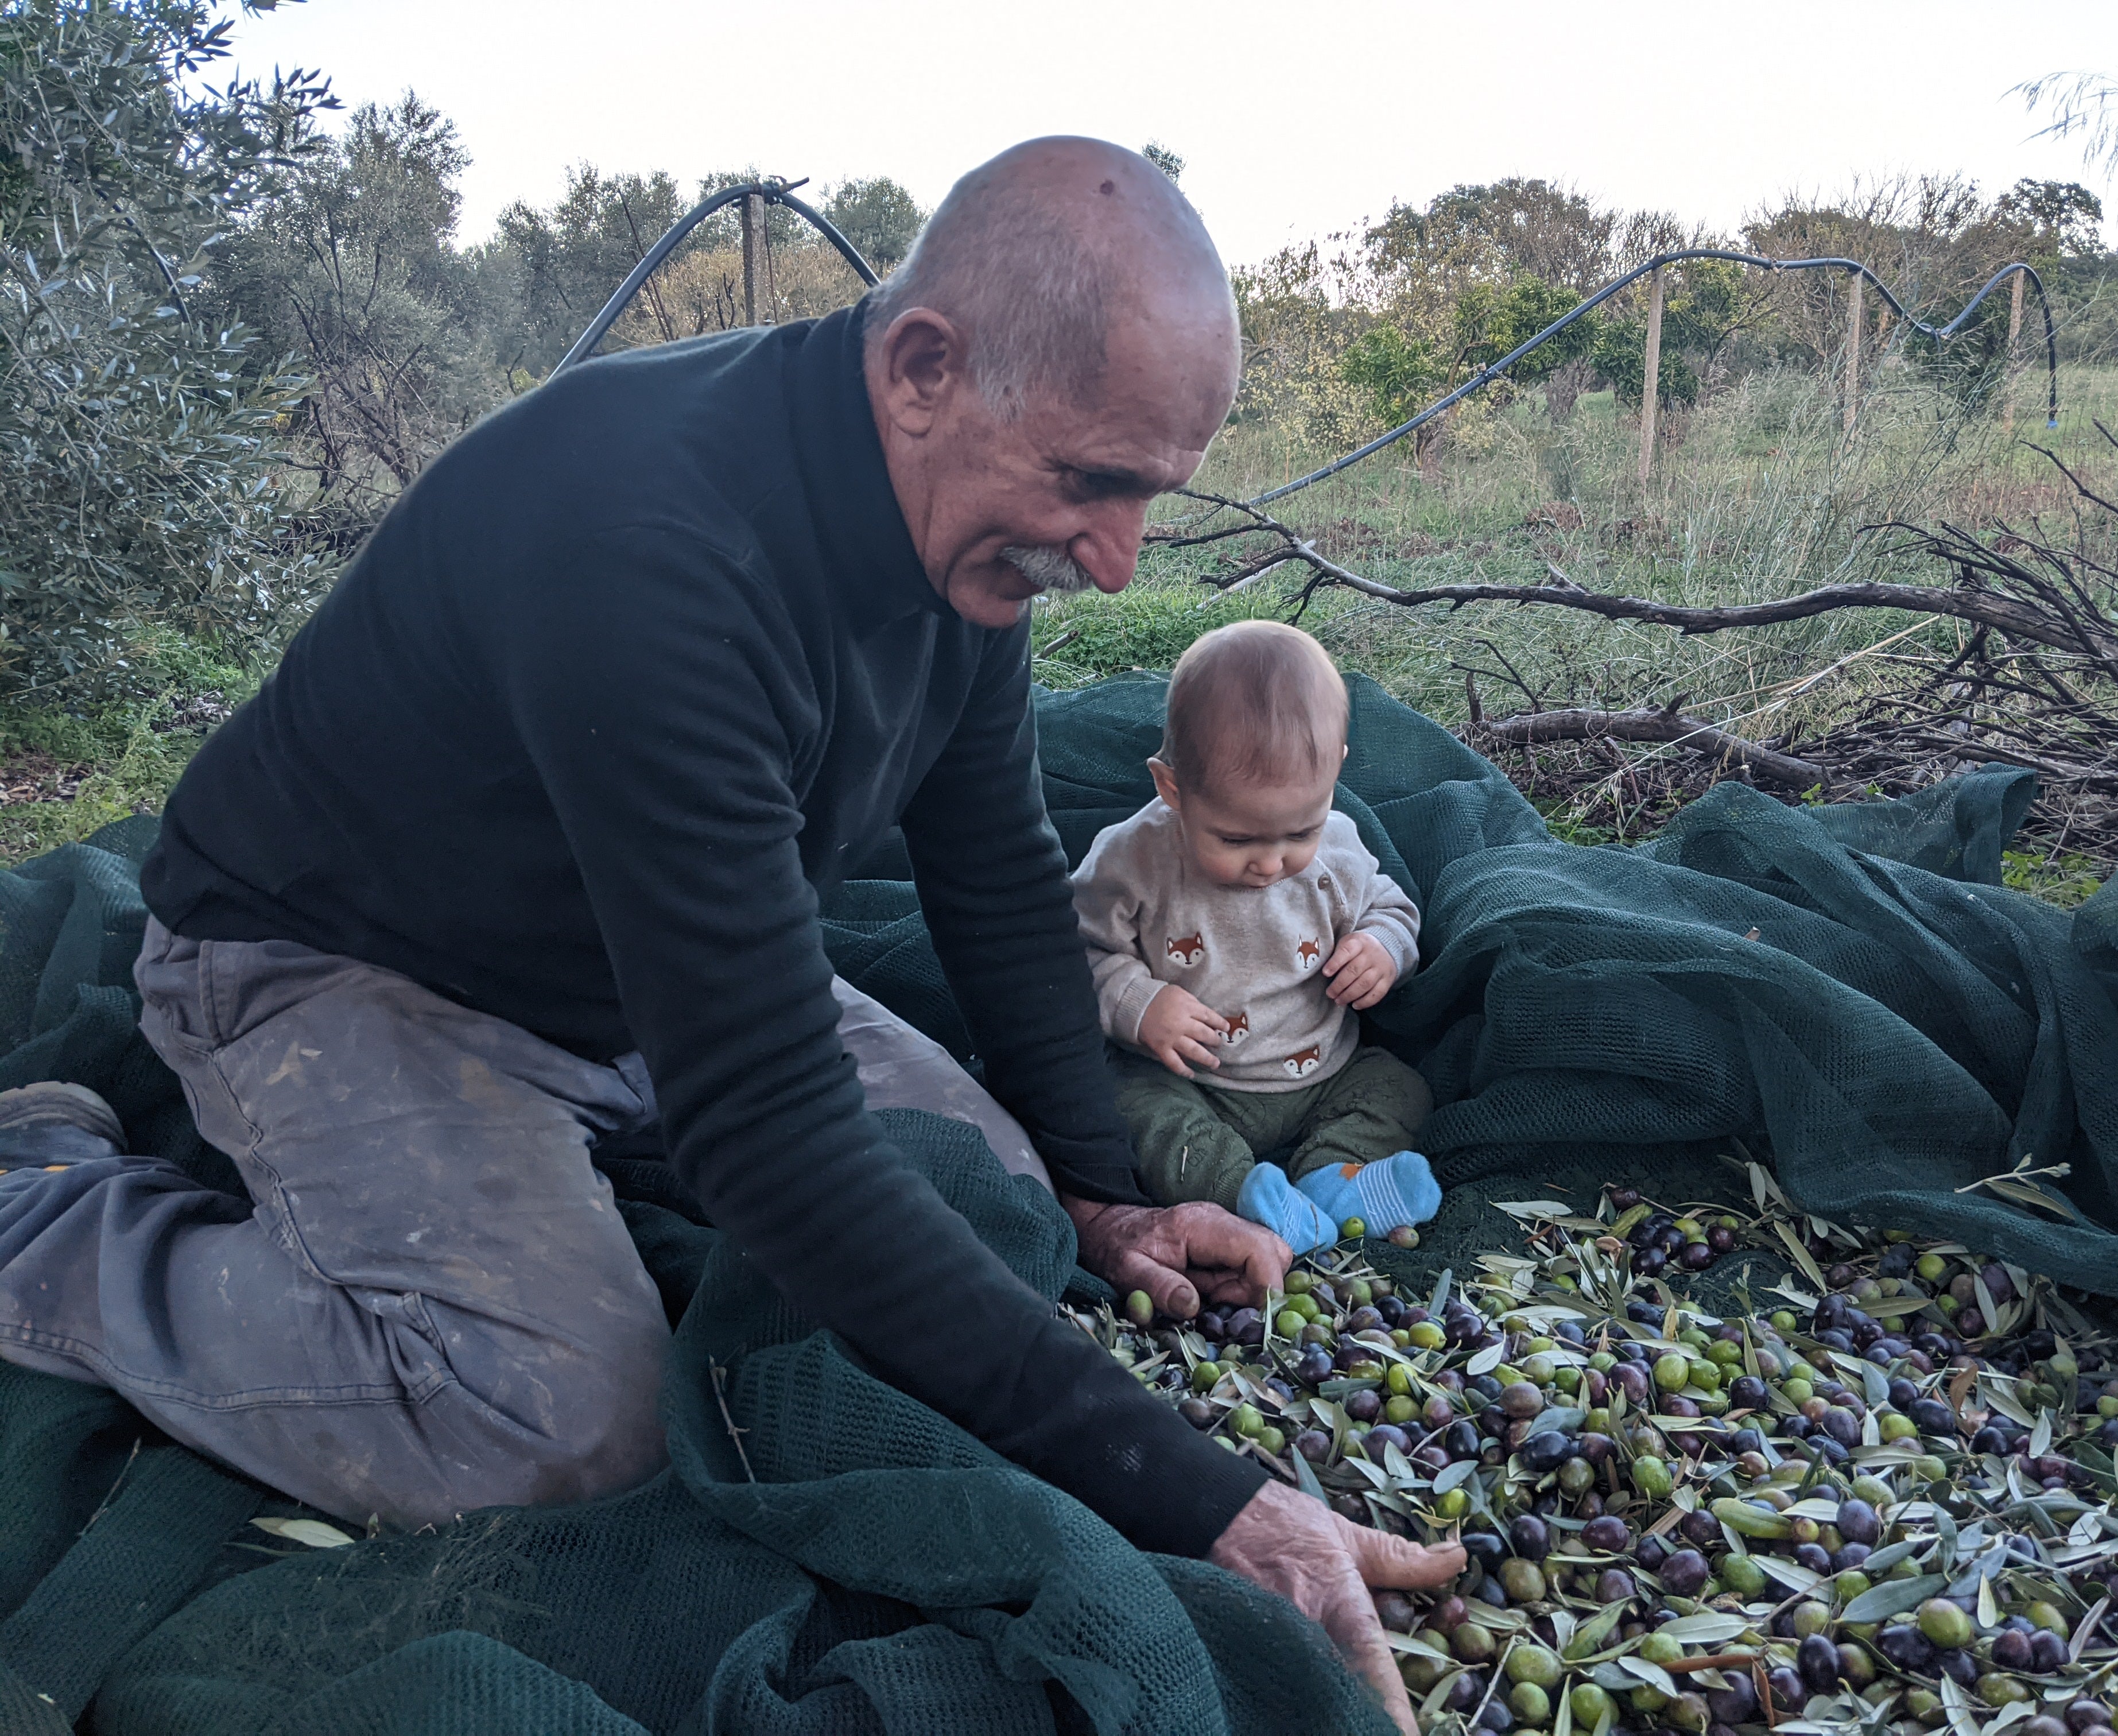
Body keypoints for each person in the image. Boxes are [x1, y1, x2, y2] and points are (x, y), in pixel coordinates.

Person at [0, 137, 1457, 1729]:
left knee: (989, 1204)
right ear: (922, 367)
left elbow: (989, 862)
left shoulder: (962, 548)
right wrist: (1207, 1501)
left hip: (630, 973)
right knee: (563, 1425)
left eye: (1146, 499)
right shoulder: (654, 555)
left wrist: (1106, 1197)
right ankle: (54, 1207)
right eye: (1092, 483)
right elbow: (770, 1136)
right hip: (342, 964)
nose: (1113, 562)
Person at [1071, 622, 1441, 1251]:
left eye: (1300, 833)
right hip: (1191, 1082)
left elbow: (1394, 908)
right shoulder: (1131, 863)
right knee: (1133, 1108)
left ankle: (1333, 1180)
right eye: (1236, 840)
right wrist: (1139, 1004)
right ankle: (1244, 1197)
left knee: (1399, 1087)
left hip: (1323, 1072)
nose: (1271, 863)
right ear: (1173, 789)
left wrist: (1382, 949)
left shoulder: (1341, 851)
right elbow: (1072, 952)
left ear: (1335, 776)